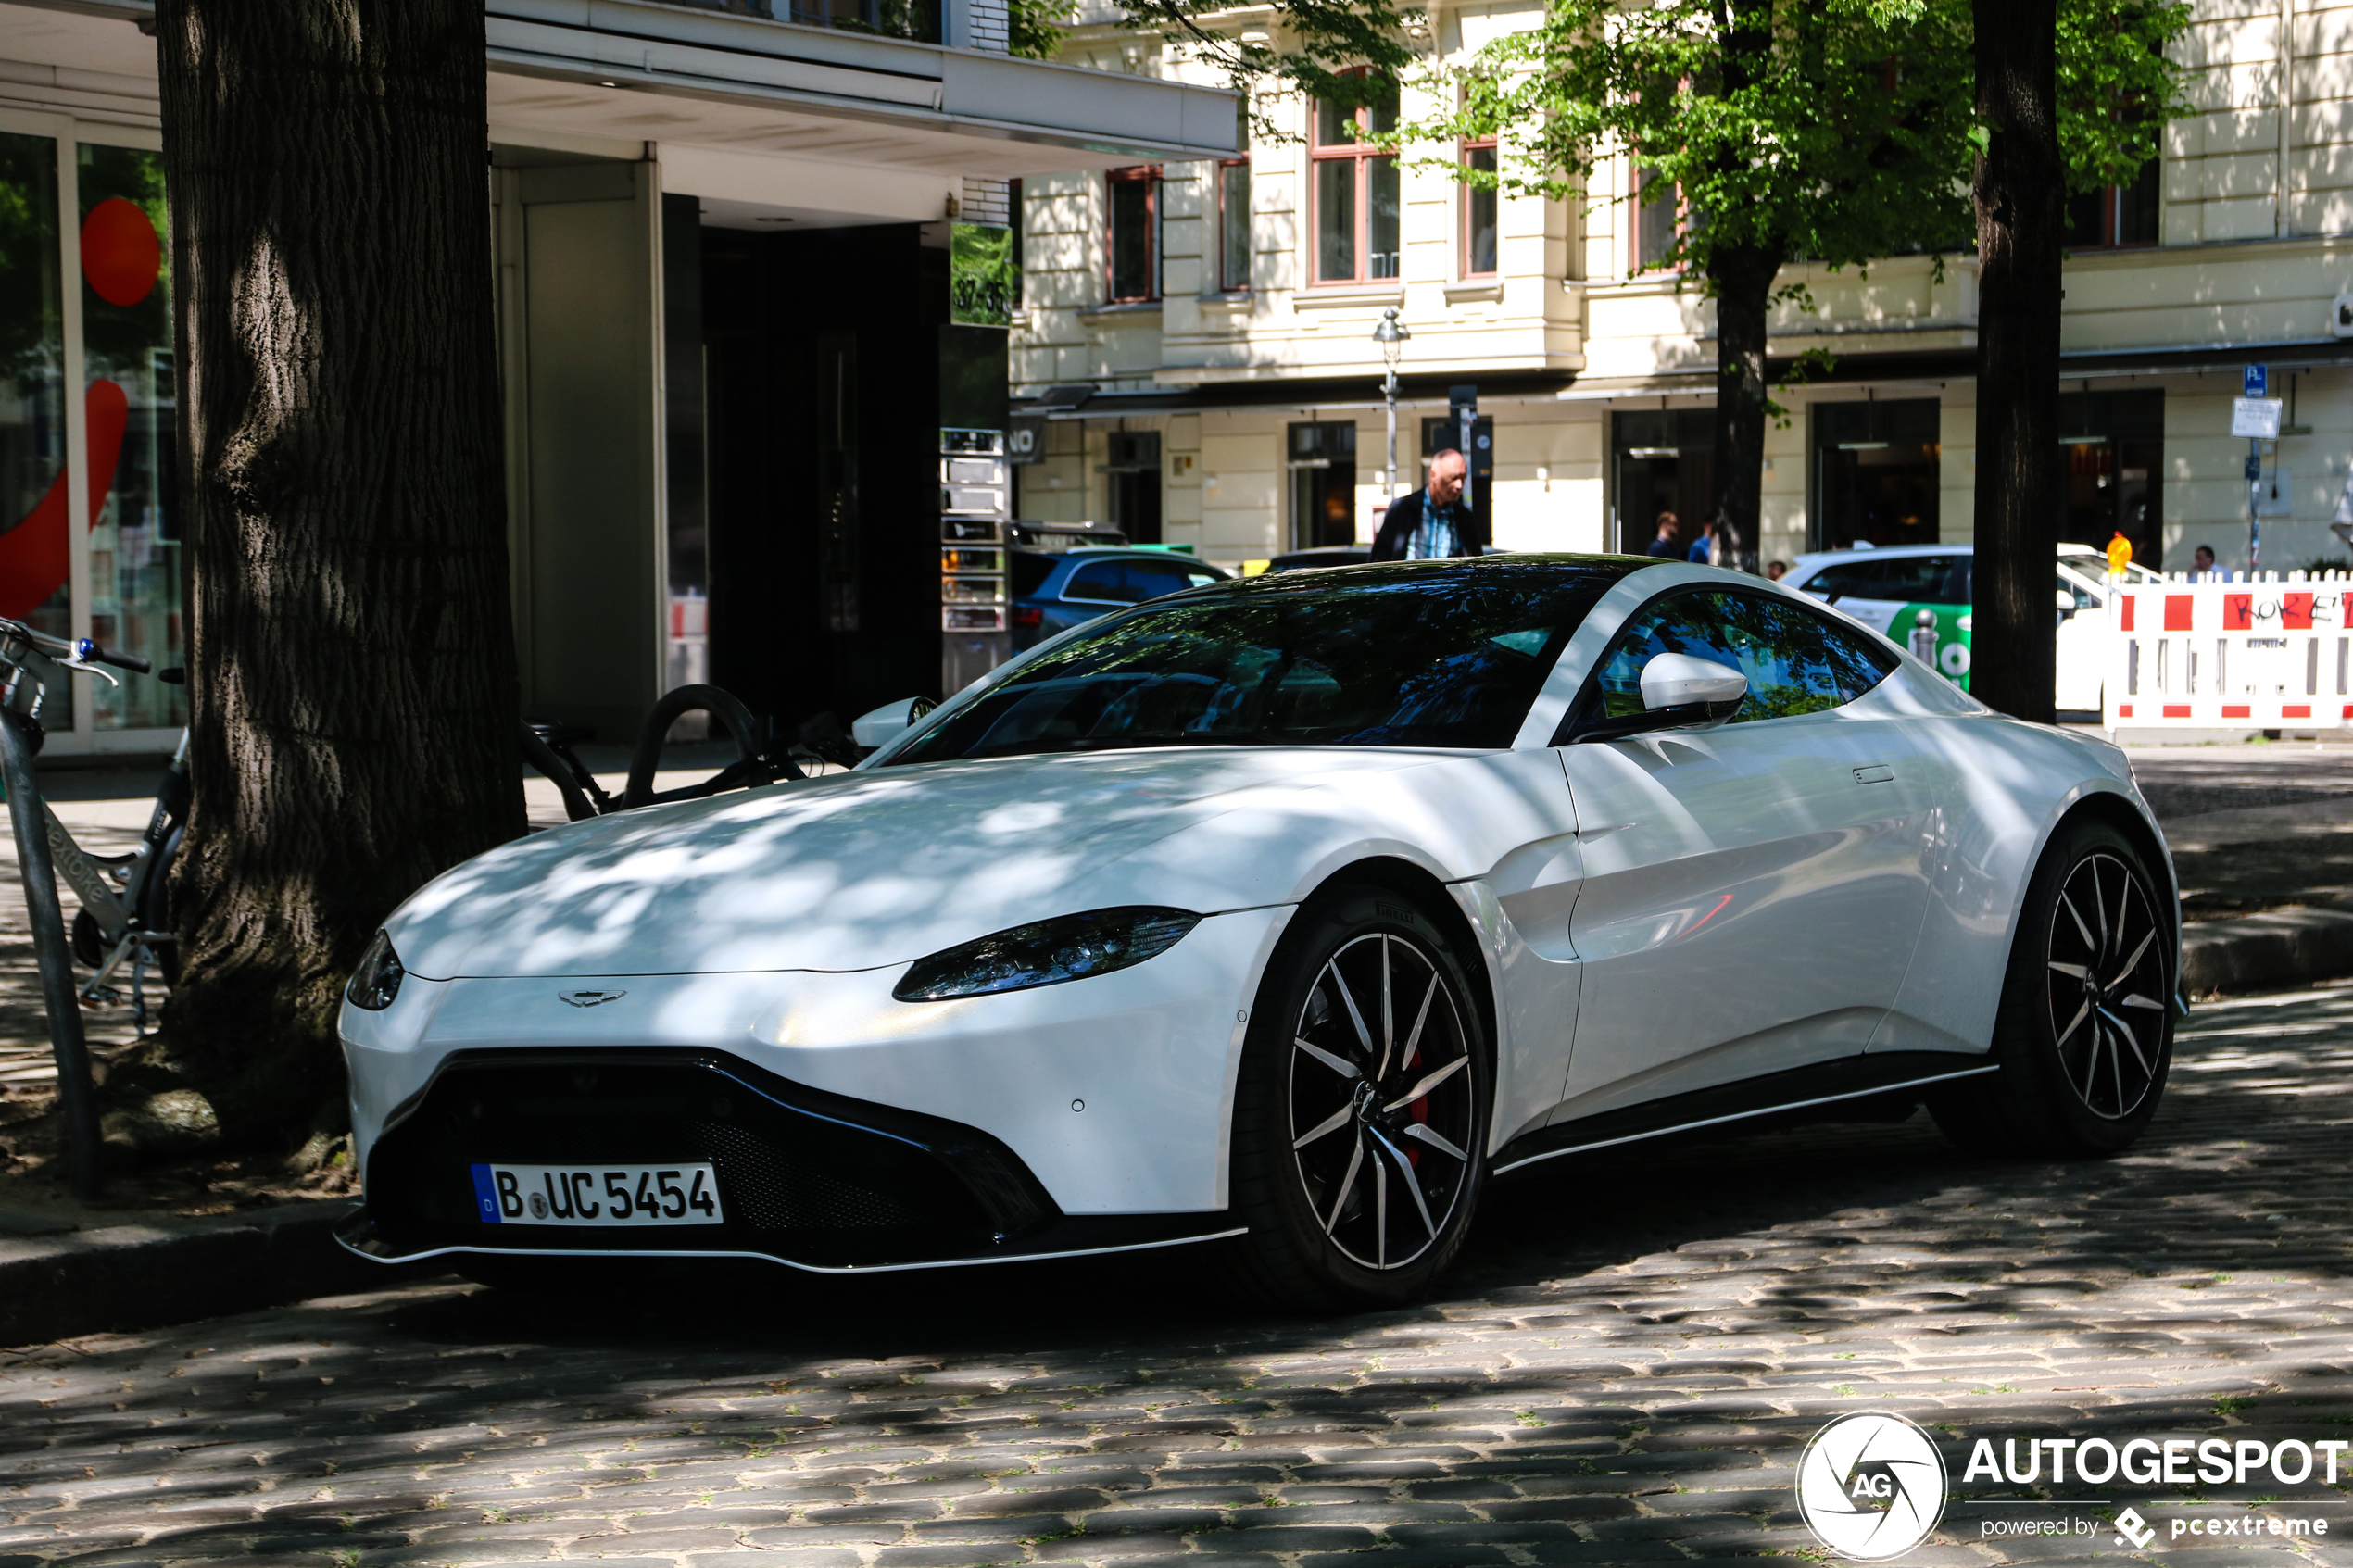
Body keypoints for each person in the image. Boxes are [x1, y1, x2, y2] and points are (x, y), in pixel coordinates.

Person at [1369, 449, 1486, 560]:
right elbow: (1379, 559)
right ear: (1433, 475)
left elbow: (1476, 564)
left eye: (1463, 478)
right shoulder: (1402, 509)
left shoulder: (1465, 518)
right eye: (1453, 478)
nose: (1459, 485)